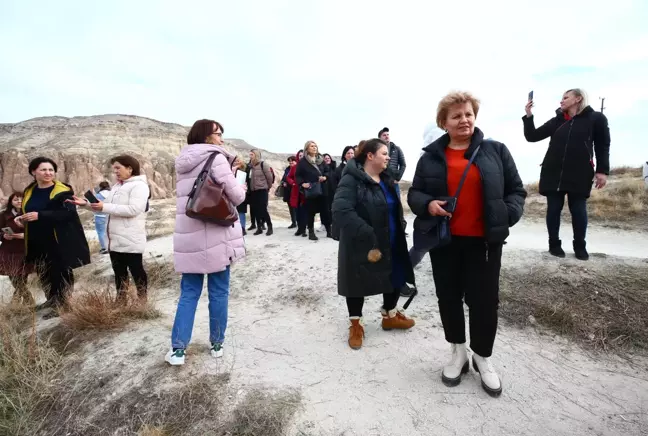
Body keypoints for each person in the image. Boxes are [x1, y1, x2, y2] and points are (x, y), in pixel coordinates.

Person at [408, 91, 526, 397]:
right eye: (457, 115)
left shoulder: (495, 151)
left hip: (485, 244)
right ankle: (458, 352)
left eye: (469, 114)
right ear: (444, 122)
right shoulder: (431, 157)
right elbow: (415, 194)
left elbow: (516, 191)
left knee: (485, 302)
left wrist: (506, 214)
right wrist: (428, 204)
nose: (464, 120)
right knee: (448, 298)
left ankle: (482, 357)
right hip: (445, 242)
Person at [166, 119, 247, 366]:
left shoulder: (182, 162)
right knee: (219, 292)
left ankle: (178, 350)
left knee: (189, 294)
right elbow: (237, 196)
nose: (221, 137)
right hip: (217, 233)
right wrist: (238, 179)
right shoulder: (217, 158)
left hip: (189, 235)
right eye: (218, 133)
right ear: (206, 136)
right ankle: (217, 344)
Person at [333, 138, 416, 350]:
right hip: (362, 242)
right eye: (384, 153)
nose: (388, 157)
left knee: (394, 274)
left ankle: (389, 315)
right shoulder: (351, 179)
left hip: (392, 237)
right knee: (356, 282)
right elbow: (341, 210)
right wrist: (367, 233)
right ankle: (356, 324)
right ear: (370, 156)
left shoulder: (387, 179)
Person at [523, 88, 610, 260]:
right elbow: (532, 136)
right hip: (553, 171)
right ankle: (554, 245)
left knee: (578, 210)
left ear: (578, 98)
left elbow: (602, 145)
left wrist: (602, 171)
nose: (561, 101)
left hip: (580, 172)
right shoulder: (557, 120)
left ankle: (580, 246)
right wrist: (528, 115)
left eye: (565, 97)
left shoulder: (595, 119)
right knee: (553, 209)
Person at [69, 155, 150, 304]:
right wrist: (85, 204)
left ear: (130, 168)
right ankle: (120, 301)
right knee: (119, 273)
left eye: (118, 168)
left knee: (136, 271)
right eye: (114, 169)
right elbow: (104, 208)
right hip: (114, 239)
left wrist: (104, 206)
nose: (116, 172)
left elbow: (134, 209)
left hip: (130, 237)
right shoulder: (117, 186)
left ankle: (143, 301)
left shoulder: (139, 186)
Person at [18, 157, 90, 316]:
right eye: (43, 169)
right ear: (33, 172)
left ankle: (63, 304)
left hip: (58, 239)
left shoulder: (63, 191)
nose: (48, 173)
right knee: (43, 271)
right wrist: (21, 217)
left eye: (51, 170)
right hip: (36, 239)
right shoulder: (30, 190)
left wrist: (40, 216)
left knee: (60, 271)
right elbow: (28, 209)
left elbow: (68, 213)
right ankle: (51, 299)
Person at [0, 192, 34, 306]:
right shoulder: (4, 215)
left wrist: (24, 236)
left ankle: (19, 301)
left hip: (24, 249)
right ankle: (27, 299)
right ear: (11, 202)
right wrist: (3, 236)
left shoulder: (29, 214)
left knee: (22, 275)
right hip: (8, 250)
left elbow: (37, 231)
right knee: (13, 275)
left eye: (21, 199)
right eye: (16, 199)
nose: (19, 201)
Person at [295, 141, 331, 240]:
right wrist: (302, 183)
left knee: (325, 211)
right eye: (312, 146)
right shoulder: (302, 162)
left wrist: (325, 177)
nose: (314, 148)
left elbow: (327, 171)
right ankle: (311, 232)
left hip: (323, 188)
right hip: (311, 189)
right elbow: (298, 175)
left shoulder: (321, 159)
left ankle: (329, 231)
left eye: (315, 146)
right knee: (311, 212)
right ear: (307, 148)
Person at [331, 145, 356, 241]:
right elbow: (334, 185)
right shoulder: (339, 170)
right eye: (348, 153)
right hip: (343, 199)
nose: (350, 155)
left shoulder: (358, 167)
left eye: (352, 153)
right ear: (344, 155)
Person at [247, 150, 274, 236]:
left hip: (262, 190)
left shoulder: (263, 164)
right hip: (253, 191)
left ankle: (269, 226)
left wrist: (268, 187)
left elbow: (269, 178)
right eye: (250, 155)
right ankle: (259, 228)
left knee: (263, 209)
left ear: (256, 155)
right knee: (255, 209)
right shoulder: (250, 166)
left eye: (252, 154)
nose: (250, 156)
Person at [286, 150, 307, 237]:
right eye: (300, 155)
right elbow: (288, 177)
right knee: (298, 211)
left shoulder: (309, 166)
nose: (301, 157)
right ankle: (299, 229)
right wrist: (293, 183)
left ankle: (305, 229)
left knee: (305, 211)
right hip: (296, 192)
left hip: (306, 192)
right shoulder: (295, 167)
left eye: (303, 155)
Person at [94, 181, 111, 254]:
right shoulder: (111, 194)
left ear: (100, 187)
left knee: (101, 232)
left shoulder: (97, 196)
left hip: (99, 216)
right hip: (109, 216)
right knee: (109, 232)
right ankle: (110, 246)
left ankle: (104, 248)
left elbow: (93, 205)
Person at [321, 153, 337, 232]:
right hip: (324, 191)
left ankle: (333, 224)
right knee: (324, 209)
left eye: (328, 158)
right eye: (325, 158)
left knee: (333, 208)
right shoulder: (321, 168)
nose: (327, 159)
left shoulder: (335, 168)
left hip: (333, 191)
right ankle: (324, 224)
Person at [282, 156, 298, 228]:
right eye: (290, 161)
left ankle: (302, 223)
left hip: (297, 191)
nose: (291, 162)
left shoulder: (299, 169)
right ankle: (294, 222)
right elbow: (283, 178)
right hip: (288, 191)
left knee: (299, 208)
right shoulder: (287, 169)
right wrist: (283, 183)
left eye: (292, 161)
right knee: (291, 208)